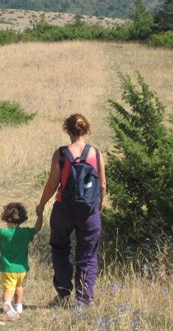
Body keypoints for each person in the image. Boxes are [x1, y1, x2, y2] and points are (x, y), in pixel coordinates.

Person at [36, 113, 106, 306]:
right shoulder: (97, 154)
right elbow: (102, 186)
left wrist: (41, 205)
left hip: (63, 210)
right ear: (87, 130)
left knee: (60, 249)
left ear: (67, 130)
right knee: (88, 255)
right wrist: (99, 205)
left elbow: (52, 185)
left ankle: (63, 294)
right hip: (89, 212)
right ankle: (83, 301)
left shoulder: (61, 154)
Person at [0, 202, 43, 320]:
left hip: (7, 268)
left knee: (8, 289)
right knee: (19, 286)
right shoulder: (25, 233)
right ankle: (19, 307)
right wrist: (40, 215)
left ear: (5, 217)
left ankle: (7, 303)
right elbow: (37, 228)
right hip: (22, 269)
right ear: (22, 218)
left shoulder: (3, 233)